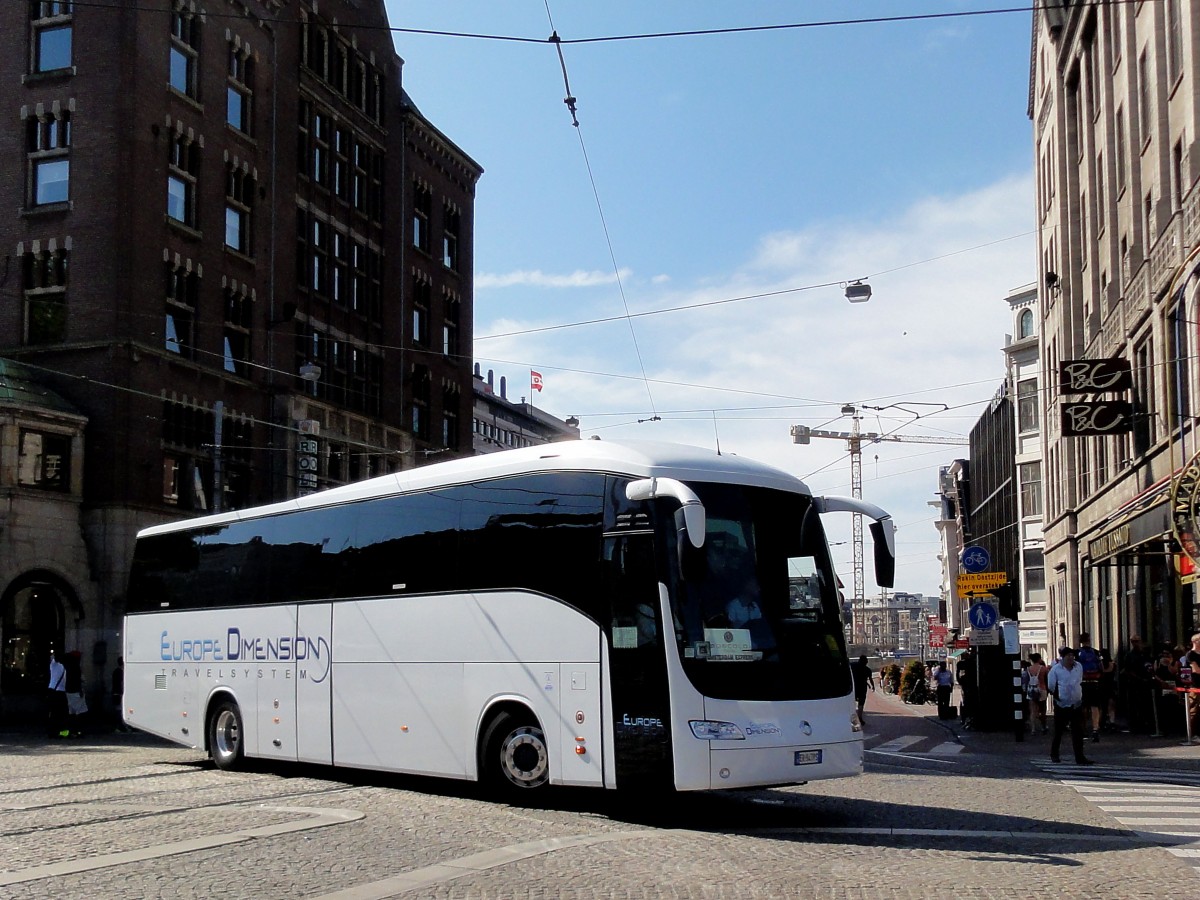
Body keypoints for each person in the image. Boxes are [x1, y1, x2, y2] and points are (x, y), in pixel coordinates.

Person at [1047, 646, 1094, 765]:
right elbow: (1051, 686)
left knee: (1078, 732)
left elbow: (1079, 680)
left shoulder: (1078, 667)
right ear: (1063, 657)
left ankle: (1080, 757)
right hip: (1061, 704)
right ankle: (1054, 754)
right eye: (1068, 655)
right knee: (1058, 731)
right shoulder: (1056, 670)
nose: (1071, 658)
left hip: (1076, 704)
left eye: (1072, 655)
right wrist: (1059, 696)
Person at [1121, 635, 1153, 733]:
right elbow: (1127, 670)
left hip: (1145, 682)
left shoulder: (1145, 654)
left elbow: (1149, 665)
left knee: (1145, 704)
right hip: (1134, 683)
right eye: (1134, 641)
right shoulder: (1129, 655)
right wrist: (1138, 678)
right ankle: (1134, 725)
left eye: (1137, 641)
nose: (1136, 643)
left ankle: (1146, 723)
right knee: (1133, 704)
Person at [1076, 632, 1102, 742]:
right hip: (1094, 681)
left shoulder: (1077, 653)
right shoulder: (1096, 652)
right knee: (1095, 706)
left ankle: (1084, 728)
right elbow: (1100, 667)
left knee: (1083, 707)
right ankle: (1095, 728)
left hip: (1083, 682)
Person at [47, 651, 68, 738]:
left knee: (53, 712)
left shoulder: (53, 665)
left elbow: (52, 657)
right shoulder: (64, 667)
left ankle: (52, 731)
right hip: (61, 692)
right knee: (61, 713)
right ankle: (60, 731)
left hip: (53, 691)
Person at [1027, 653, 1049, 734]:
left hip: (1031, 689)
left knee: (1032, 710)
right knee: (1042, 710)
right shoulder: (1043, 668)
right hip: (1041, 689)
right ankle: (1043, 726)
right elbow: (1047, 678)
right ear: (1039, 659)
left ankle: (1033, 729)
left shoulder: (1028, 669)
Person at [850, 654, 875, 725]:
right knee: (861, 703)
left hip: (853, 687)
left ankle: (852, 717)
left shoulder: (852, 666)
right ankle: (859, 717)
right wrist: (872, 686)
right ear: (865, 662)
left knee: (852, 702)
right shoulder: (867, 670)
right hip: (862, 688)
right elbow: (870, 679)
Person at [1186, 633, 1200, 743]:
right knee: (1194, 709)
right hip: (1195, 685)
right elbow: (1196, 670)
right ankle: (1193, 734)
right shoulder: (1190, 655)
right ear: (1195, 641)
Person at [112, 656, 129, 732]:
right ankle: (119, 726)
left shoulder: (116, 671)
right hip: (119, 693)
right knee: (119, 711)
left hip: (116, 693)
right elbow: (121, 683)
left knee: (119, 710)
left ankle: (120, 726)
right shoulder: (120, 672)